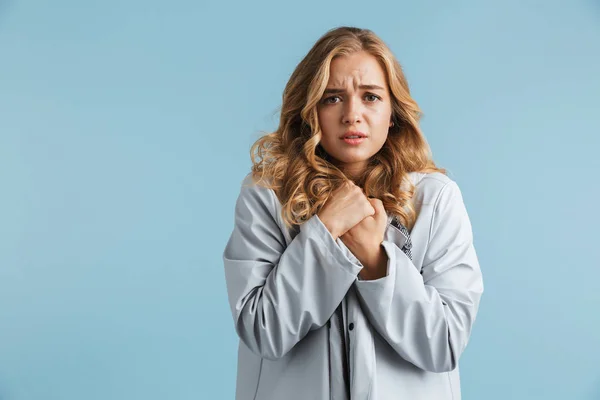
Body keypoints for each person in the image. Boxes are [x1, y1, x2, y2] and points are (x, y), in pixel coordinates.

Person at [222, 26, 484, 400]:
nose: (352, 115)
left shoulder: (435, 200)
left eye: (371, 97)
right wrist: (325, 231)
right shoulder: (266, 197)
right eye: (332, 98)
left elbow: (444, 343)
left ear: (392, 112)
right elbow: (263, 330)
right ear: (310, 110)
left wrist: (375, 261)